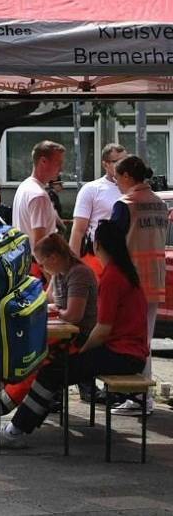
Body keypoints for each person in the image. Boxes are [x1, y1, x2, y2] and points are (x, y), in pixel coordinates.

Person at [0, 220, 149, 447]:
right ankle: (6, 418)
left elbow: (102, 329)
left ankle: (13, 430)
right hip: (128, 353)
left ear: (98, 245)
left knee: (51, 372)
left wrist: (82, 354)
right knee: (50, 369)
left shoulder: (111, 277)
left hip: (120, 354)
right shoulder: (124, 273)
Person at [0, 233, 94, 420]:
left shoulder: (78, 274)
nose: (41, 268)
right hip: (62, 336)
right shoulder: (58, 274)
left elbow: (74, 315)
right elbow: (45, 300)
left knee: (34, 361)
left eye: (42, 264)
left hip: (77, 340)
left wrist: (56, 311)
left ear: (54, 257)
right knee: (22, 350)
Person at [104, 154, 167, 417]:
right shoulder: (159, 204)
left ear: (127, 176)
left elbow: (112, 242)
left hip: (130, 282)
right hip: (154, 280)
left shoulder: (126, 204)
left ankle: (139, 398)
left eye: (117, 178)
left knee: (131, 341)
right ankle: (140, 397)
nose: (116, 183)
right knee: (145, 339)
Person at [71, 143, 127, 259]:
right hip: (98, 255)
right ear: (105, 164)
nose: (124, 165)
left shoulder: (134, 189)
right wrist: (72, 264)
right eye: (117, 162)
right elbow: (78, 230)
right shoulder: (91, 189)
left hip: (127, 254)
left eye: (126, 161)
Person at [12, 141, 64, 255]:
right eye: (58, 163)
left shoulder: (24, 186)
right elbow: (40, 245)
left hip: (23, 258)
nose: (61, 169)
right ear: (43, 161)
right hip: (37, 262)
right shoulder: (39, 196)